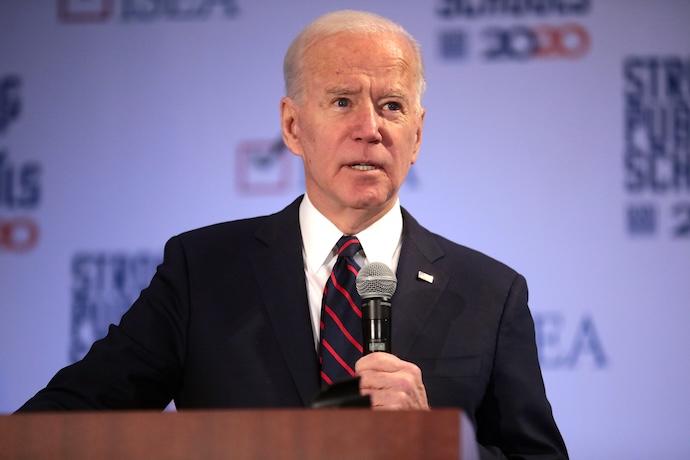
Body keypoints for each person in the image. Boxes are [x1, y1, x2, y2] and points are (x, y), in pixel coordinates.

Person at [17, 9, 568, 459]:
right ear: (292, 126)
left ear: (417, 134)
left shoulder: (490, 293)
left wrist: (443, 446)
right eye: (342, 101)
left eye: (392, 106)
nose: (370, 129)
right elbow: (62, 420)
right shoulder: (202, 271)